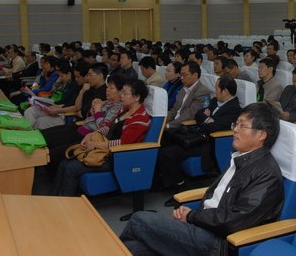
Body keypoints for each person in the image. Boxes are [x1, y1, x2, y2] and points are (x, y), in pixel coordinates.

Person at [121, 103, 283, 256]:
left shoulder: (266, 174)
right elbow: (217, 199)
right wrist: (194, 215)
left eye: (243, 125)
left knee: (139, 219)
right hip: (205, 226)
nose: (235, 129)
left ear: (261, 135)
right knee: (133, 248)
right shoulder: (241, 158)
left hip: (219, 243)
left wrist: (192, 216)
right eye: (236, 124)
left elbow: (233, 221)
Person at [52, 79, 151, 196]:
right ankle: (55, 198)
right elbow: (108, 127)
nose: (121, 95)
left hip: (117, 157)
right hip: (105, 149)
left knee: (71, 167)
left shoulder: (140, 119)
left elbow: (123, 143)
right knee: (64, 163)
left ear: (137, 97)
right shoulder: (125, 110)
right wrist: (92, 134)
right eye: (122, 92)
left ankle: (66, 203)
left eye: (125, 93)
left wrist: (96, 145)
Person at [156, 75, 242, 200]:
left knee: (167, 153)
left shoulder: (234, 109)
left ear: (225, 91)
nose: (215, 91)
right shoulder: (215, 101)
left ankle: (181, 186)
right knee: (165, 139)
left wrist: (206, 120)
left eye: (217, 88)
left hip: (208, 144)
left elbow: (214, 127)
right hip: (198, 136)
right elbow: (198, 114)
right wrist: (207, 119)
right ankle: (163, 182)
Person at [24, 62, 80, 129]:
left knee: (40, 121)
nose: (61, 78)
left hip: (61, 110)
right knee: (29, 111)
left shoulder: (75, 86)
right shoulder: (67, 83)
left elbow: (72, 105)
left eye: (62, 76)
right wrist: (57, 82)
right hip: (55, 104)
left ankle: (30, 131)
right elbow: (53, 91)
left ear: (69, 74)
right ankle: (28, 130)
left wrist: (57, 107)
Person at [166, 61, 212, 129]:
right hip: (173, 123)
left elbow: (189, 115)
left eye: (184, 75)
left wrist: (168, 125)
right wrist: (162, 121)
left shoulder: (202, 92)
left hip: (184, 128)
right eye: (181, 75)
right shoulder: (183, 88)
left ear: (195, 75)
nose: (181, 78)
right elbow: (174, 110)